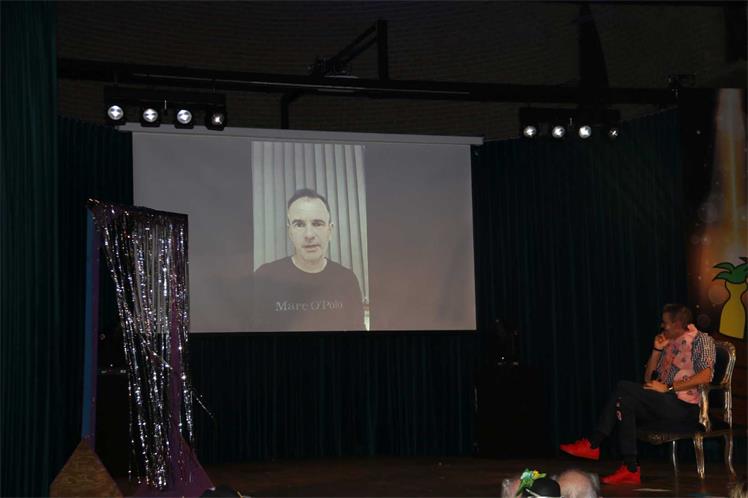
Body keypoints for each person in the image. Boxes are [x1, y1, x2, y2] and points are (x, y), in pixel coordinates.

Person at [559, 303, 716, 485]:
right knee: (625, 400)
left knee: (623, 386)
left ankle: (594, 443)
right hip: (665, 402)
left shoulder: (701, 340)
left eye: (665, 322)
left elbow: (706, 375)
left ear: (678, 323)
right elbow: (648, 378)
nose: (662, 326)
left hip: (686, 408)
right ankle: (630, 468)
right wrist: (657, 350)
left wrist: (669, 388)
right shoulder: (670, 344)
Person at [252, 188, 365, 331]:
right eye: (299, 225)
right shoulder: (265, 278)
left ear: (330, 230)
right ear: (290, 232)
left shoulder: (347, 280)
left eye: (317, 224)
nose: (309, 235)